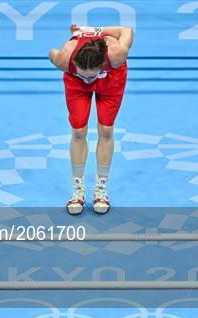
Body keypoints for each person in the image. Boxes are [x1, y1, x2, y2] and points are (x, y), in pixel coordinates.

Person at [48, 25, 134, 215]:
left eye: (91, 76)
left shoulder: (117, 53)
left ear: (101, 63)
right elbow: (51, 53)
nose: (88, 80)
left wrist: (98, 29)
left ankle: (101, 190)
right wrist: (77, 71)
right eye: (84, 74)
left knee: (106, 130)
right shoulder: (64, 58)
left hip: (111, 78)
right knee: (78, 132)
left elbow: (127, 30)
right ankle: (77, 191)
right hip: (73, 80)